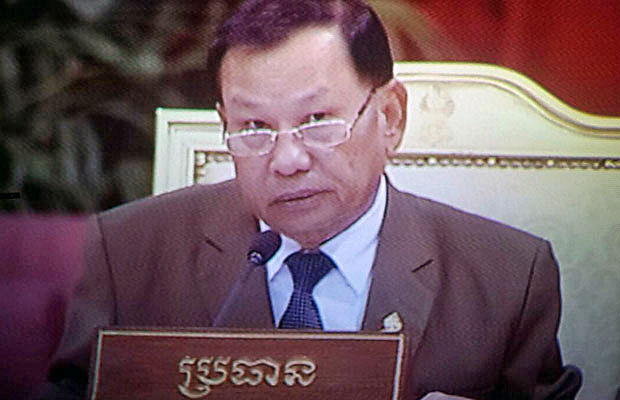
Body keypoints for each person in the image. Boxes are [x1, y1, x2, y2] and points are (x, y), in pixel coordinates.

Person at [39, 0, 582, 399]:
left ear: (390, 117)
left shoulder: (508, 276)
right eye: (254, 127)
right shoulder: (129, 251)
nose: (287, 159)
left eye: (318, 121)